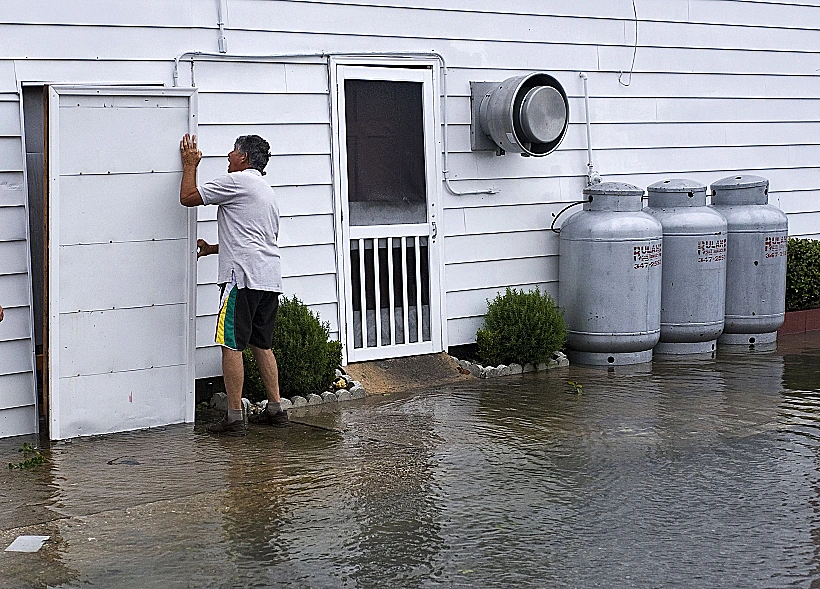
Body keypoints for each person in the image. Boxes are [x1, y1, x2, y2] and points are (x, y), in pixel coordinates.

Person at [179, 133, 289, 436]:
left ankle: (234, 418)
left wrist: (190, 165)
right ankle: (276, 410)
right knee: (261, 345)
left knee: (231, 344)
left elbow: (188, 197)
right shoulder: (265, 190)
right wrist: (214, 248)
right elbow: (254, 237)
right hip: (268, 278)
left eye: (232, 152)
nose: (228, 156)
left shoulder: (237, 181)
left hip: (241, 278)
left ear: (243, 158)